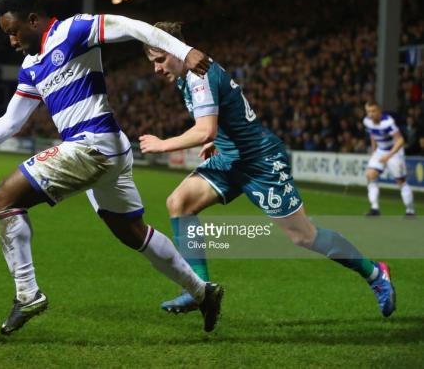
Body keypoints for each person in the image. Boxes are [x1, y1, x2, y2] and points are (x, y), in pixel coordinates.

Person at [0, 0, 223, 335]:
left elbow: (130, 26)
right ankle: (203, 293)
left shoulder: (74, 30)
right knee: (131, 232)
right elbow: (11, 121)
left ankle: (28, 294)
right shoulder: (32, 67)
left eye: (14, 31)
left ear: (33, 20)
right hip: (107, 151)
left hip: (92, 145)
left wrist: (184, 51)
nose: (12, 40)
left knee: (5, 198)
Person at [138, 22, 396, 317]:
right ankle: (199, 289)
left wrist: (162, 145)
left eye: (160, 60)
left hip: (261, 161)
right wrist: (220, 141)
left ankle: (376, 273)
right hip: (232, 159)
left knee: (304, 236)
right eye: (152, 62)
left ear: (176, 49)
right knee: (179, 203)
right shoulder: (188, 76)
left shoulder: (199, 77)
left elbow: (204, 131)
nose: (156, 69)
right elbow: (219, 121)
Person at [363, 101, 415, 216]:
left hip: (394, 151)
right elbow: (373, 135)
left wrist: (389, 155)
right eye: (368, 111)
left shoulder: (388, 122)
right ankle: (375, 208)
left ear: (379, 111)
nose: (371, 114)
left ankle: (410, 210)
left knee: (400, 181)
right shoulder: (367, 121)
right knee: (370, 175)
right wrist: (374, 151)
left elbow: (400, 140)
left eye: (373, 111)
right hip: (380, 150)